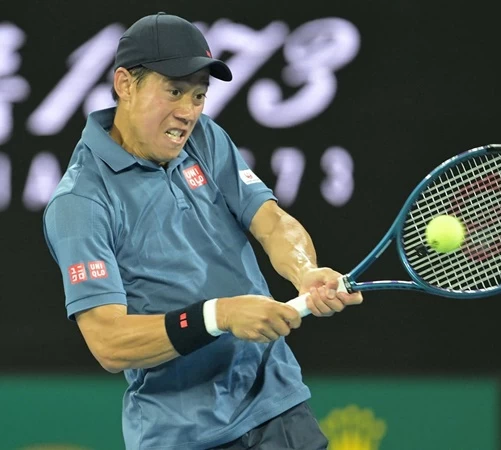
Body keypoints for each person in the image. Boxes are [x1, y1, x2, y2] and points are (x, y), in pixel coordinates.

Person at [42, 12, 363, 450]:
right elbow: (109, 341)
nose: (187, 112)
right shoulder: (80, 202)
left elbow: (271, 221)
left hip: (279, 408)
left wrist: (305, 272)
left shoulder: (205, 138)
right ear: (125, 84)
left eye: (198, 95)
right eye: (174, 91)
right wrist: (219, 315)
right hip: (186, 436)